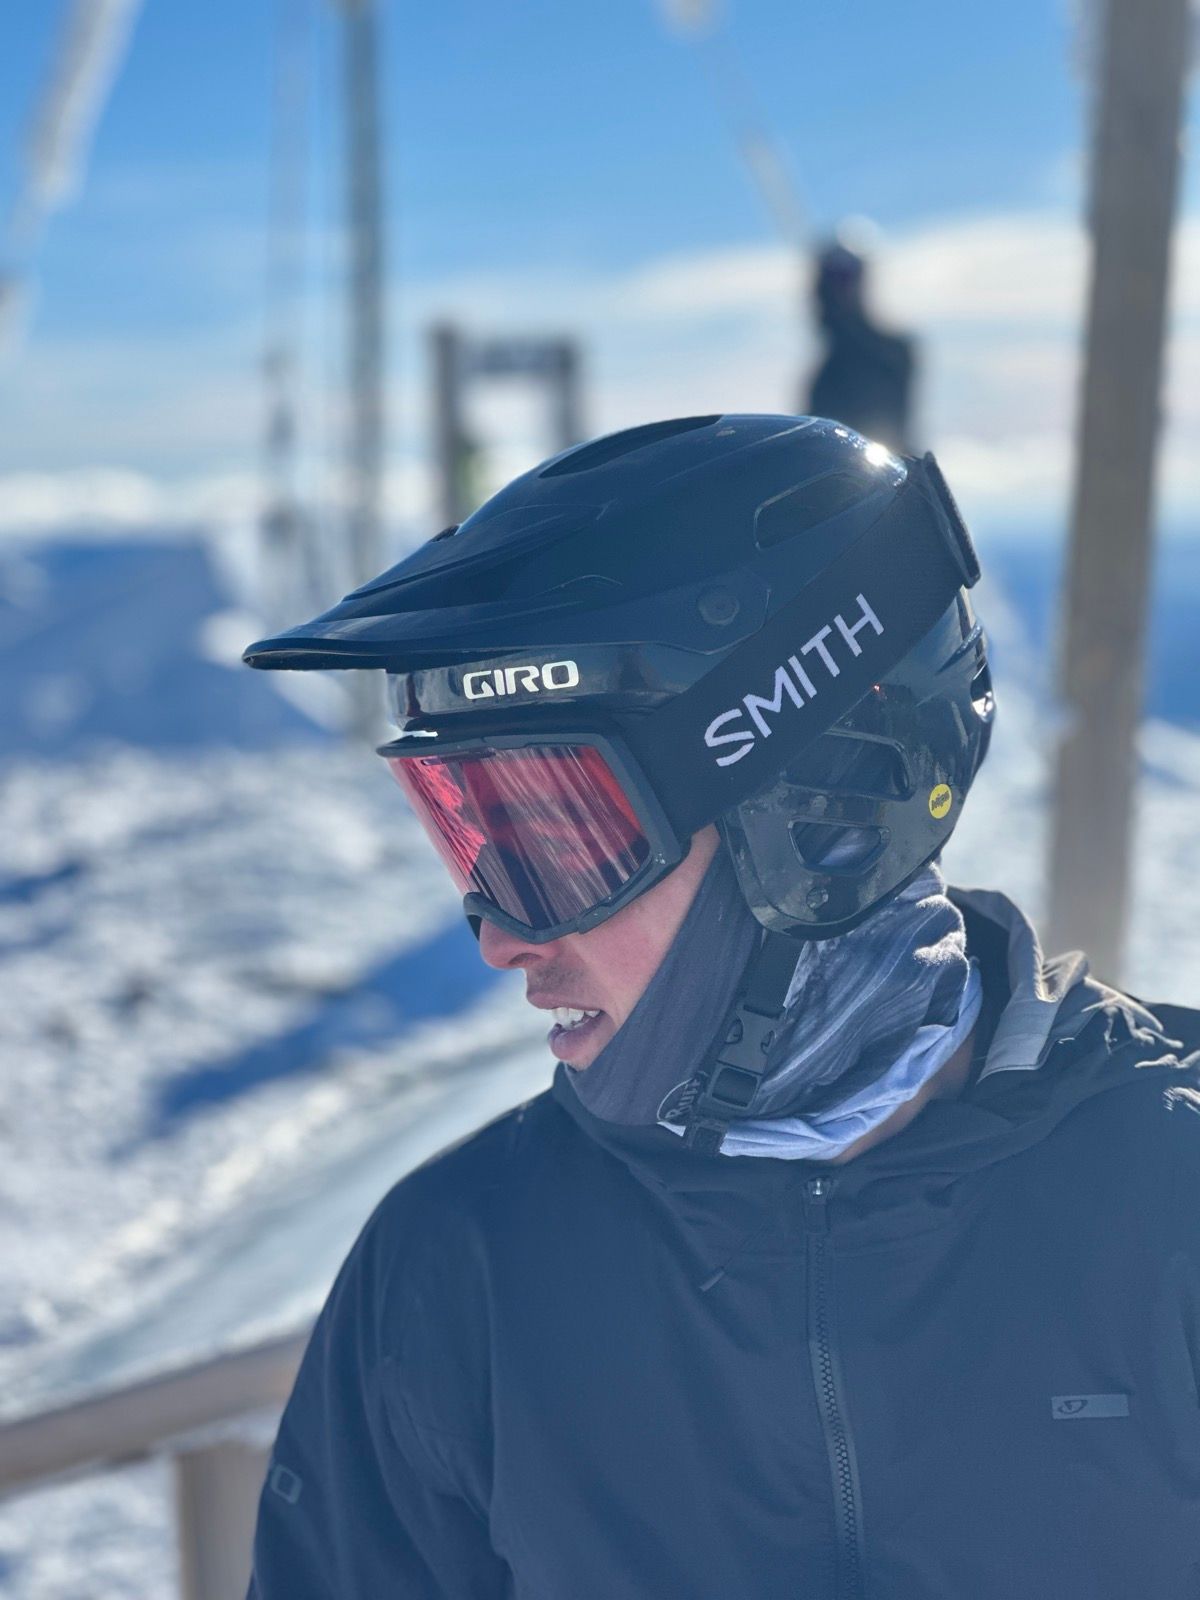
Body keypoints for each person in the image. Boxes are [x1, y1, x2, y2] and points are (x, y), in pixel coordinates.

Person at [241, 414, 1200, 1599]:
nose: (500, 936)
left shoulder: (1173, 1182)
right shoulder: (456, 1271)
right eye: (471, 839)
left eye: (558, 846)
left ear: (825, 818)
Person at [806, 240, 916, 454]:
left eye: (843, 279)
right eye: (830, 280)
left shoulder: (888, 353)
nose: (836, 291)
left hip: (871, 468)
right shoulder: (830, 367)